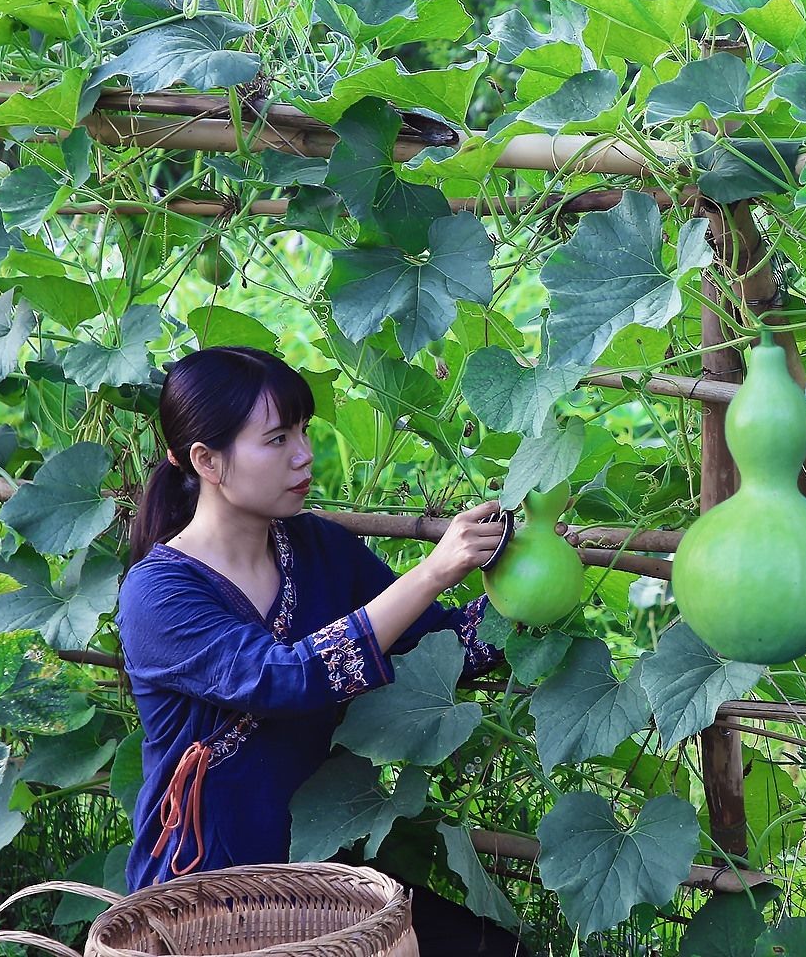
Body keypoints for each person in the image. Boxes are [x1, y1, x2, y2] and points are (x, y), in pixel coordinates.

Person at [116, 345, 524, 956]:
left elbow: (438, 650)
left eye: (303, 430)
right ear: (207, 460)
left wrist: (531, 583)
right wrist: (432, 572)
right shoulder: (158, 593)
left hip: (327, 877)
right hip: (204, 893)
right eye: (277, 439)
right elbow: (285, 679)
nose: (304, 454)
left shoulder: (319, 547)